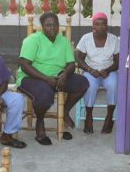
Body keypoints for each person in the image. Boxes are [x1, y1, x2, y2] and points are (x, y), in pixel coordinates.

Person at [17, 12, 89, 145]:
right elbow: (25, 65)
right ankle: (40, 120)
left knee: (82, 83)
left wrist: (65, 75)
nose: (52, 28)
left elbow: (71, 64)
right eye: (48, 25)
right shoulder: (32, 40)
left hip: (56, 78)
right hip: (30, 78)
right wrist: (46, 79)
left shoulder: (63, 41)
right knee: (45, 94)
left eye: (55, 25)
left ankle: (65, 112)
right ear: (42, 27)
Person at [76, 12, 119, 134]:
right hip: (91, 71)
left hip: (108, 71)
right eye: (97, 24)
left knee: (113, 85)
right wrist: (90, 70)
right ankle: (88, 117)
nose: (100, 26)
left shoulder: (114, 40)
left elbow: (118, 61)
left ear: (107, 26)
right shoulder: (86, 38)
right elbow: (79, 59)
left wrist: (108, 70)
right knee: (90, 86)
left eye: (103, 24)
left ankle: (109, 117)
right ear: (93, 26)